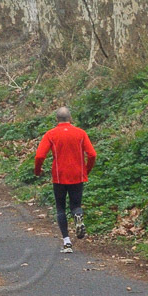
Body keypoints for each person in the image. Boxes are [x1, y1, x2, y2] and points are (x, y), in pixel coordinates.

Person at [34, 106, 97, 251]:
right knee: (76, 205)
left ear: (56, 119)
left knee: (60, 208)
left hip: (59, 176)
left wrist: (38, 171)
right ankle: (78, 215)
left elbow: (39, 156)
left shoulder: (51, 134)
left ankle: (67, 242)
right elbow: (92, 154)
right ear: (71, 118)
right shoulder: (81, 133)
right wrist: (86, 170)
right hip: (77, 175)